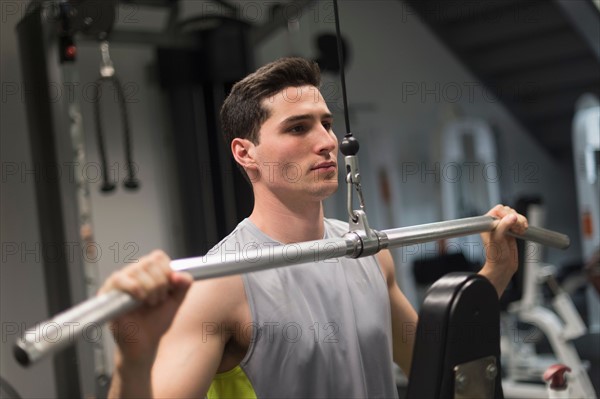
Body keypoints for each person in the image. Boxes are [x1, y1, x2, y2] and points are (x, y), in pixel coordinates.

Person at [100, 57, 528, 398]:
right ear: (245, 153)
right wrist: (131, 360)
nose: (326, 142)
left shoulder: (370, 253)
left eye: (325, 123)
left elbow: (436, 370)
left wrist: (495, 275)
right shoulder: (222, 283)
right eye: (298, 127)